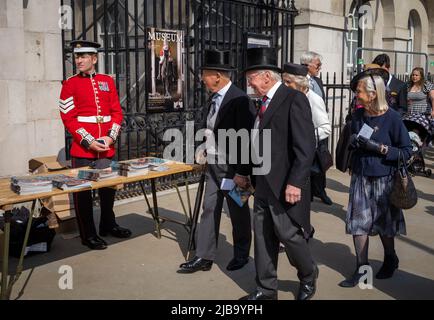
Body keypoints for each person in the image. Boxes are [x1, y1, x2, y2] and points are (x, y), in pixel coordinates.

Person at [240, 48, 318, 300]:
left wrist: (296, 182)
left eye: (251, 79)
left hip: (285, 183)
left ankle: (308, 274)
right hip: (261, 181)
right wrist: (245, 173)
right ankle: (266, 289)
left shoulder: (294, 98)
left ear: (265, 77)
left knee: (288, 234)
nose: (249, 84)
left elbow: (306, 147)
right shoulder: (260, 102)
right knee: (262, 236)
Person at [177, 49, 255, 273]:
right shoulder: (213, 97)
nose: (202, 79)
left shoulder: (240, 99)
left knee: (238, 211)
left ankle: (241, 254)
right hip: (214, 164)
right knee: (209, 208)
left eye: (205, 74)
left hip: (234, 168)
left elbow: (247, 139)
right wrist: (202, 147)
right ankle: (204, 256)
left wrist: (242, 172)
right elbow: (209, 127)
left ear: (217, 76)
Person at [338, 69, 412, 287]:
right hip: (361, 177)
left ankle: (390, 258)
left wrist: (381, 149)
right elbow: (356, 140)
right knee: (358, 225)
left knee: (384, 225)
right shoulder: (359, 115)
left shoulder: (393, 118)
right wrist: (352, 143)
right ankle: (362, 269)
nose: (356, 95)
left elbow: (406, 152)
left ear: (373, 94)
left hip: (384, 179)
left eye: (359, 91)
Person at [59, 40, 131, 250]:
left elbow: (117, 112)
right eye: (77, 57)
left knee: (108, 188)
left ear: (94, 58)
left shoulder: (107, 81)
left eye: (83, 57)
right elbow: (69, 118)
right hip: (83, 148)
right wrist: (89, 141)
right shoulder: (70, 84)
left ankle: (108, 224)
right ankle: (87, 234)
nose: (79, 60)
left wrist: (110, 137)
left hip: (106, 145)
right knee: (83, 193)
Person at [282, 63, 332, 204]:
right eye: (283, 81)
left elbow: (326, 128)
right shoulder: (289, 96)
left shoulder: (314, 99)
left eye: (288, 82)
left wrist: (305, 136)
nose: (284, 85)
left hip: (305, 156)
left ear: (300, 83)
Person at [300, 51, 332, 205]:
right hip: (305, 129)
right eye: (317, 64)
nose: (320, 67)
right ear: (307, 65)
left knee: (320, 161)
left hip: (320, 128)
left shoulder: (317, 82)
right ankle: (309, 192)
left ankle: (320, 190)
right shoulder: (299, 82)